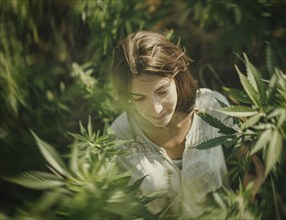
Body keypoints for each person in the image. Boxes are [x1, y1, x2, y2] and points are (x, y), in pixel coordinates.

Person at [110, 30, 264, 218]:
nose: (156, 109)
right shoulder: (119, 137)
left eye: (162, 91)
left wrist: (246, 196)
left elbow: (246, 158)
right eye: (140, 98)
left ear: (177, 76)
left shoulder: (211, 106)